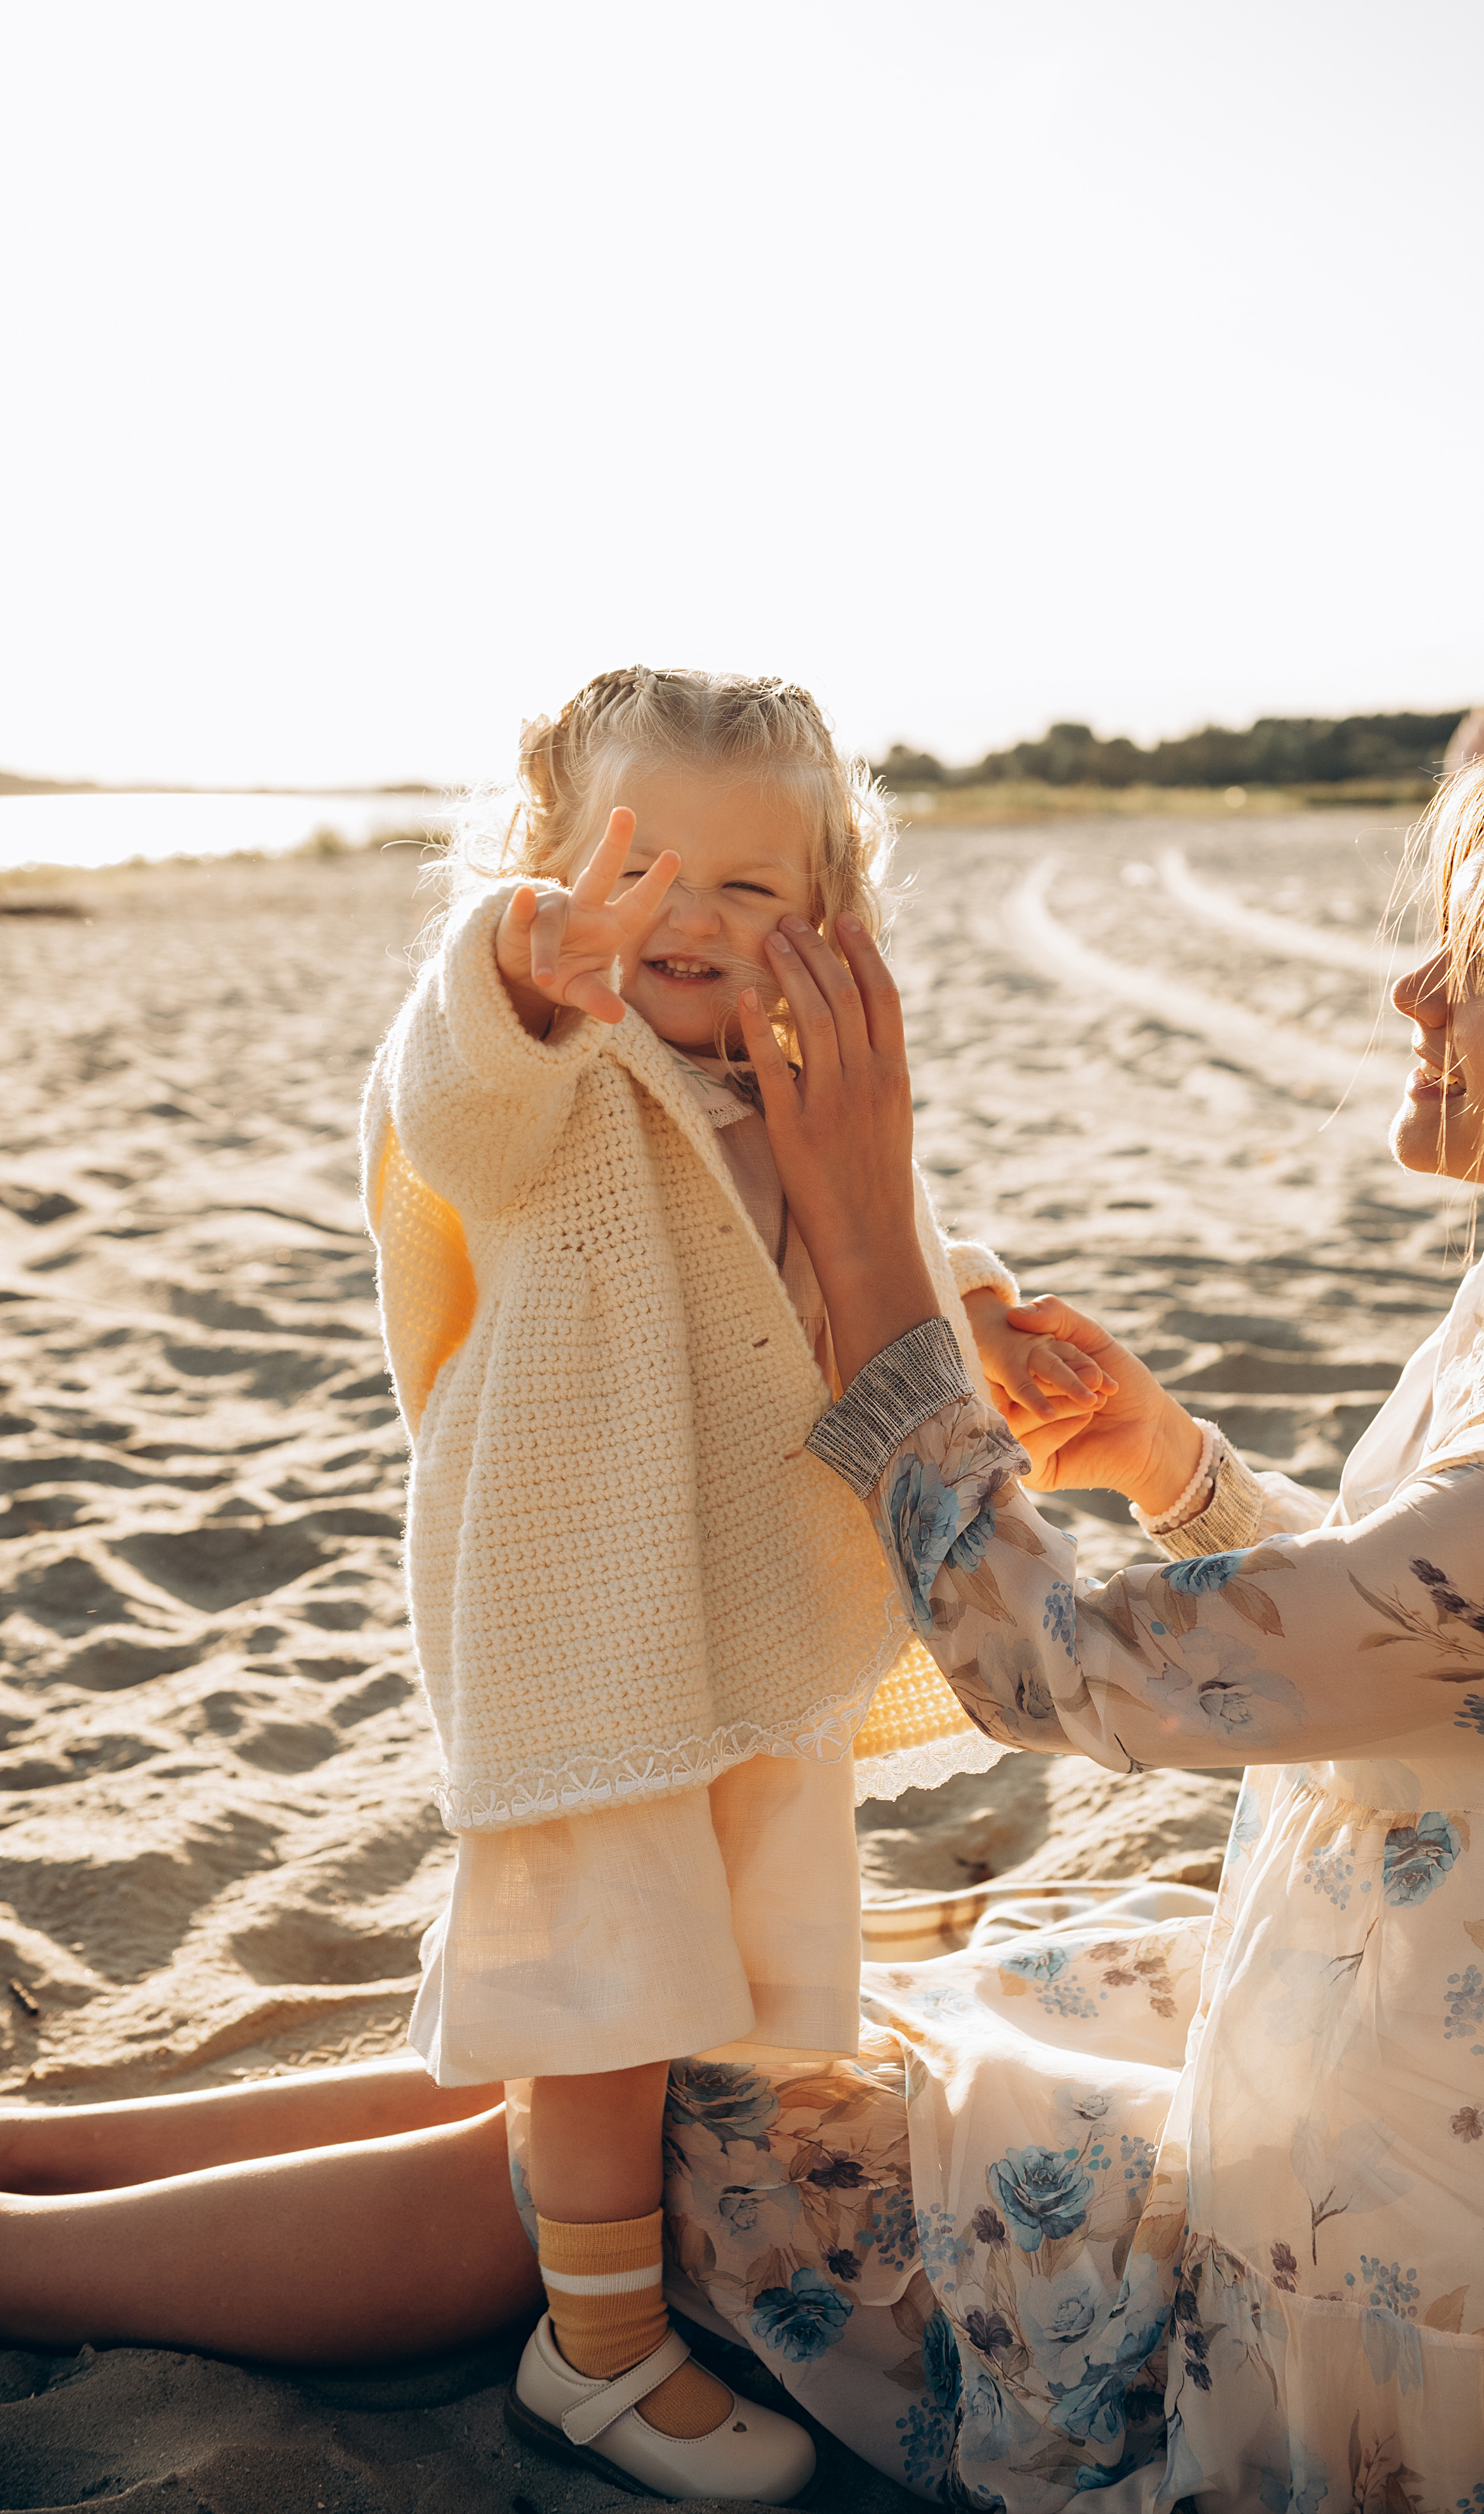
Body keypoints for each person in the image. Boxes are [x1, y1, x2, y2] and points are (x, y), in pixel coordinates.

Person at [5, 707, 1484, 2509]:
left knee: (649, 2116)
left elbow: (1070, 1677)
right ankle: (42, 2149)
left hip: (1385, 2243)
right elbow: (1408, 1640)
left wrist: (871, 1231)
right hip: (1309, 2014)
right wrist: (1169, 1456)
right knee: (649, 2039)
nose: (1413, 988)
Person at [357, 665, 1102, 2500]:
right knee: (610, 1981)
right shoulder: (552, 1067)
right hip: (584, 1610)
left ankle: (630, 2254)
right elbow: (444, 1106)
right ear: (539, 873)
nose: (685, 919)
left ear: (828, 911)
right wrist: (524, 967)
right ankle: (592, 2351)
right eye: (632, 869)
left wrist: (975, 1311)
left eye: (751, 889)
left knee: (723, 1947)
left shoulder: (780, 1067)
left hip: (749, 1601)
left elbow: (866, 1237)